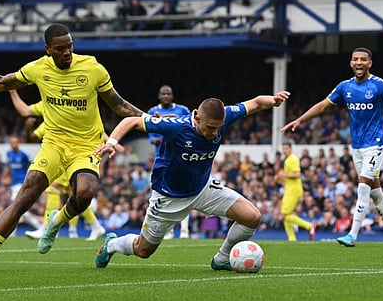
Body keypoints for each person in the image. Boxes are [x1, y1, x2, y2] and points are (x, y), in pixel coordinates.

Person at [0, 23, 144, 272]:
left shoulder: (92, 68)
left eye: (70, 46)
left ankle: (55, 221)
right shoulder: (37, 69)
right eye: (60, 48)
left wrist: (154, 122)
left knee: (85, 194)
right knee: (26, 194)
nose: (67, 52)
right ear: (48, 50)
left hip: (87, 145)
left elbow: (119, 106)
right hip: (54, 143)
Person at [93, 91, 289, 271]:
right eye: (210, 127)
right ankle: (112, 244)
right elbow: (132, 121)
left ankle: (221, 259)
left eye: (218, 128)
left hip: (203, 188)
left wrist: (272, 101)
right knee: (143, 250)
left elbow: (255, 103)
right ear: (197, 118)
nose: (214, 133)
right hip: (169, 196)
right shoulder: (176, 127)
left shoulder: (224, 116)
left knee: (252, 217)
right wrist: (111, 142)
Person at [282, 47, 383, 248]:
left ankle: (352, 234)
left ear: (369, 63)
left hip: (376, 144)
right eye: (355, 59)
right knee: (375, 192)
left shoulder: (381, 85)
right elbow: (322, 106)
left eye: (363, 60)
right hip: (356, 147)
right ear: (351, 63)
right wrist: (300, 120)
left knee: (363, 185)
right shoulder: (344, 88)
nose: (359, 62)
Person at [7, 89, 106, 241]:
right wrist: (13, 92)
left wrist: (110, 139)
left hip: (74, 156)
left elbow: (94, 123)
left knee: (57, 190)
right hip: (60, 158)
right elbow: (28, 123)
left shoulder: (75, 105)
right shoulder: (49, 112)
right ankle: (94, 226)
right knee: (73, 194)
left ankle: (48, 226)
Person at [147, 84, 191, 239]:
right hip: (163, 158)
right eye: (163, 94)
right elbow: (151, 136)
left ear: (172, 95)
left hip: (181, 157)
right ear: (159, 96)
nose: (166, 96)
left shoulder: (183, 110)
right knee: (164, 194)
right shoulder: (153, 111)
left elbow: (190, 127)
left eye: (168, 94)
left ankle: (185, 230)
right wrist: (158, 139)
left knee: (185, 193)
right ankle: (169, 230)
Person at [275, 142, 316, 241]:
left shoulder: (293, 159)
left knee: (285, 215)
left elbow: (297, 174)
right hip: (289, 189)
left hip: (293, 190)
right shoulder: (287, 160)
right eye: (283, 148)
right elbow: (289, 178)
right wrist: (279, 179)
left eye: (286, 148)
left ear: (290, 149)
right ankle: (292, 239)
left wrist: (283, 175)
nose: (285, 151)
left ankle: (309, 226)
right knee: (287, 215)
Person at [6, 135, 42, 233]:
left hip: (22, 183)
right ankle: (38, 225)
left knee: (14, 206)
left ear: (18, 143)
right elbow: (9, 167)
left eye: (14, 143)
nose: (13, 145)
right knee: (19, 210)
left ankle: (11, 231)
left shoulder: (24, 154)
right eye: (11, 143)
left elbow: (31, 165)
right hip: (14, 184)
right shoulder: (9, 154)